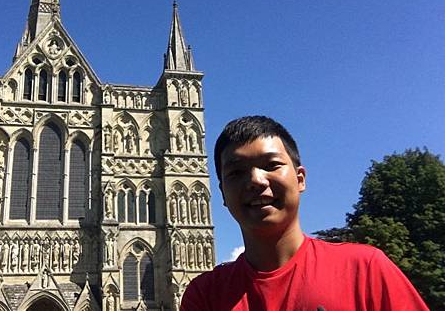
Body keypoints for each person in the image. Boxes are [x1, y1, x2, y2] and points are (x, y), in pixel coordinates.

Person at [181, 116, 428, 311]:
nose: (256, 181)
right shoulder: (205, 294)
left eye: (271, 165)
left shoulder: (365, 269)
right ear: (222, 194)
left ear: (300, 179)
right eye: (236, 172)